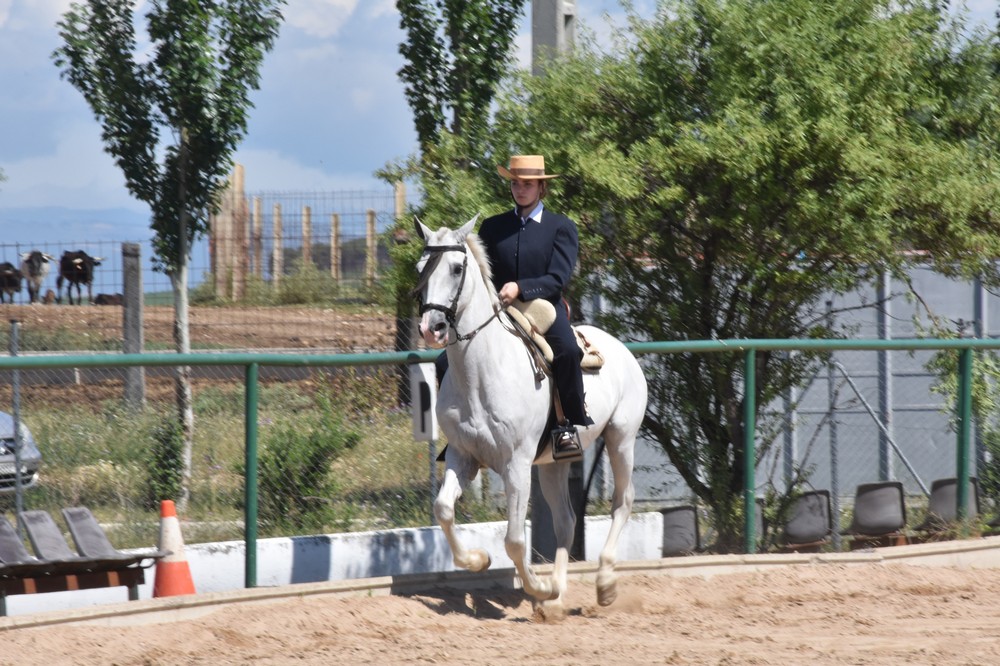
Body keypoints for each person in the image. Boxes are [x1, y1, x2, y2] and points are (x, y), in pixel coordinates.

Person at [478, 154, 594, 461]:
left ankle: (566, 424)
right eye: (515, 183)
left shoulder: (561, 227)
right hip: (499, 309)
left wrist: (521, 287)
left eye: (527, 184)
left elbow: (557, 278)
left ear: (541, 187)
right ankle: (464, 427)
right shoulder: (491, 227)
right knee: (447, 359)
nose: (520, 189)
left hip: (544, 310)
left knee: (568, 352)